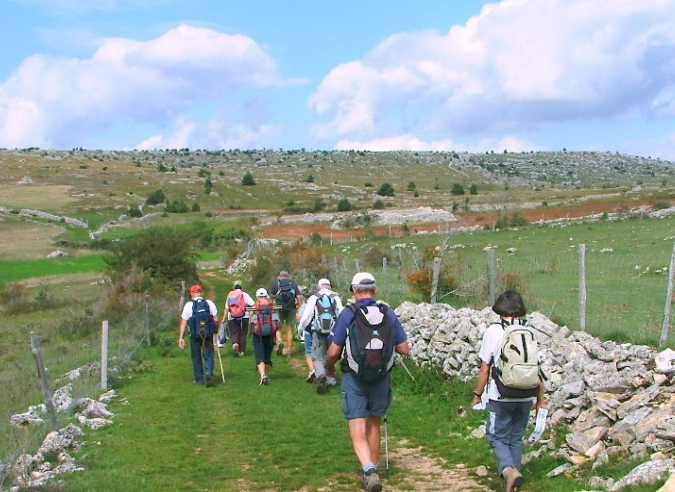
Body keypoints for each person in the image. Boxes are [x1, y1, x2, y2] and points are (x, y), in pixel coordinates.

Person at [324, 272, 409, 492]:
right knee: (374, 423)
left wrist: (328, 367)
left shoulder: (348, 314)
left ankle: (369, 471)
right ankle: (374, 469)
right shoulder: (387, 313)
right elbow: (404, 348)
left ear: (353, 290)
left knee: (357, 425)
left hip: (354, 377)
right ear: (375, 290)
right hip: (381, 377)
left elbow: (334, 350)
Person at [471, 290, 546, 492]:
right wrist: (540, 401)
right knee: (515, 438)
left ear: (499, 308)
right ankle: (514, 480)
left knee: (496, 436)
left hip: (500, 394)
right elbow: (537, 369)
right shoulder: (528, 331)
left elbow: (485, 369)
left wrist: (477, 395)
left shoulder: (493, 332)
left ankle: (509, 471)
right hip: (526, 394)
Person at [298, 278, 343, 394]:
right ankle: (331, 380)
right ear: (329, 286)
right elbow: (341, 315)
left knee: (317, 356)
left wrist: (300, 330)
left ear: (319, 287)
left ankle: (321, 375)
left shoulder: (314, 298)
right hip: (333, 332)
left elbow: (306, 317)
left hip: (317, 331)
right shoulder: (335, 297)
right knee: (331, 355)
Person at [178, 284, 219, 387]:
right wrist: (215, 332)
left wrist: (181, 337)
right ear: (201, 293)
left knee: (196, 356)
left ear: (191, 294)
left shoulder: (188, 306)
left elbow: (183, 322)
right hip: (207, 333)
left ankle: (199, 379)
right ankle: (208, 372)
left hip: (194, 335)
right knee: (209, 354)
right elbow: (216, 319)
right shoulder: (209, 303)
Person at [270, 271, 303, 356]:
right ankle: (289, 350)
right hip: (291, 308)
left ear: (279, 277)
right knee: (289, 329)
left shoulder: (277, 284)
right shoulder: (293, 284)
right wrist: (300, 309)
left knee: (278, 328)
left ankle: (280, 341)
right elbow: (299, 297)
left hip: (279, 308)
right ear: (288, 277)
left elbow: (272, 295)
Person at [251, 288, 279, 386]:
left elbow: (251, 321)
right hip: (270, 334)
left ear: (257, 297)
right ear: (267, 296)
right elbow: (276, 321)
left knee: (259, 355)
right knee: (267, 355)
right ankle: (266, 375)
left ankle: (262, 375)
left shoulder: (255, 307)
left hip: (257, 334)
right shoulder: (271, 306)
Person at [223, 280, 255, 356]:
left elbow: (226, 308)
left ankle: (235, 343)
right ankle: (241, 351)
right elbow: (253, 305)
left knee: (234, 332)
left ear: (233, 287)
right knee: (243, 334)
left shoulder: (230, 295)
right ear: (242, 287)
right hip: (244, 317)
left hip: (231, 317)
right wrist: (250, 316)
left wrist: (224, 319)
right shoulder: (244, 295)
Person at [297, 284, 317, 383]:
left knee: (308, 351)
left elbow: (300, 319)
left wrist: (300, 330)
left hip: (308, 330)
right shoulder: (324, 302)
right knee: (321, 351)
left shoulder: (306, 304)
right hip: (320, 331)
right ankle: (323, 371)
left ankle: (312, 370)